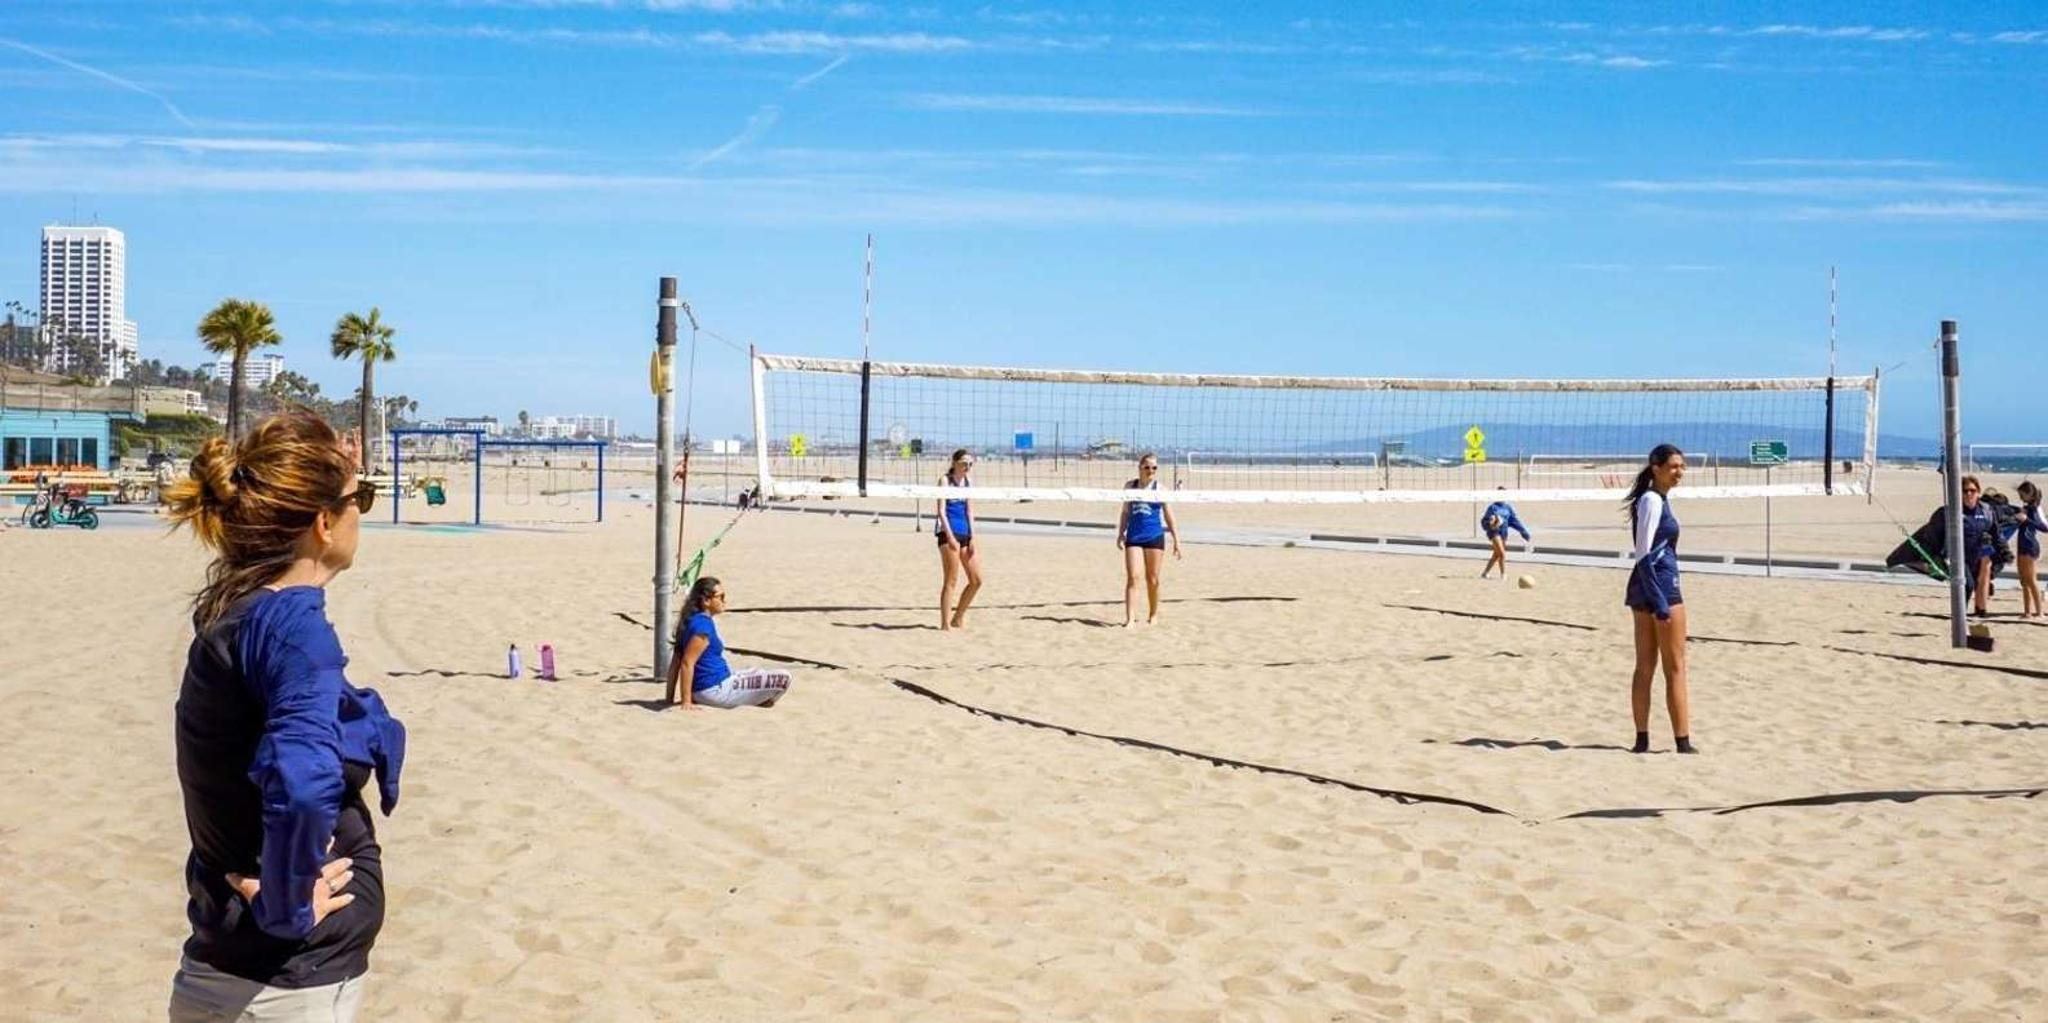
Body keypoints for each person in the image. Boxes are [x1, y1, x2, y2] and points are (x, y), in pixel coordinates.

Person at [163, 411, 406, 1023]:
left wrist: (369, 724)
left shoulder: (238, 611)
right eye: (362, 498)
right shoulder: (294, 628)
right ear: (324, 523)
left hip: (225, 965)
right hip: (285, 988)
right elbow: (300, 780)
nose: (362, 513)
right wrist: (289, 903)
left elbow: (240, 745)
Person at [1623, 444, 1694, 755]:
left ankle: (1642, 740)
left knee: (1646, 666)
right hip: (1660, 586)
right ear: (1656, 468)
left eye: (1682, 466)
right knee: (1673, 666)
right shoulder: (1652, 500)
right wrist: (1660, 600)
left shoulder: (1654, 499)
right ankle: (1682, 742)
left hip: (1644, 587)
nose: (1680, 472)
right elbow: (1643, 553)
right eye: (1674, 466)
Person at [667, 576, 792, 708]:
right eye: (720, 597)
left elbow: (676, 661)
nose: (724, 601)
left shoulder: (691, 620)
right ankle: (762, 702)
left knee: (755, 671)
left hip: (711, 686)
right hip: (715, 690)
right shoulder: (703, 627)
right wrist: (686, 701)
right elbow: (687, 663)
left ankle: (759, 701)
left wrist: (668, 699)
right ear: (706, 601)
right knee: (784, 677)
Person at [1116, 453, 1182, 626]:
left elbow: (1169, 515)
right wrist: (1120, 532)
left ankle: (1153, 614)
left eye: (1154, 467)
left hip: (1154, 537)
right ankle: (1130, 619)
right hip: (1134, 537)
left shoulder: (1160, 489)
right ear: (1140, 468)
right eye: (1147, 467)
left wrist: (1176, 540)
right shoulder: (1130, 486)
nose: (1151, 470)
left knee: (1152, 579)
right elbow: (1125, 512)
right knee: (1133, 577)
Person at [935, 448, 984, 631]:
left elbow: (970, 511)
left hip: (965, 534)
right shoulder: (945, 480)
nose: (967, 466)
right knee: (951, 580)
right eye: (964, 463)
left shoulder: (968, 482)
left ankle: (958, 617)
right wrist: (950, 536)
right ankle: (945, 624)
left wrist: (972, 538)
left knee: (976, 580)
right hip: (948, 534)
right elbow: (940, 511)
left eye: (970, 463)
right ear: (955, 462)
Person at [1959, 476, 1997, 616]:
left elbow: (1996, 532)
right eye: (1965, 491)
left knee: (1984, 581)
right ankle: (1960, 613)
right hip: (1961, 556)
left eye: (1972, 490)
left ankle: (1980, 610)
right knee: (1967, 585)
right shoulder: (1953, 511)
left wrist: (2003, 552)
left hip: (1982, 553)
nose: (1969, 493)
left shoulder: (1986, 511)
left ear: (1978, 492)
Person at [1478, 487, 1531, 580]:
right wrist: (1491, 523)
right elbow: (1484, 521)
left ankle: (1485, 573)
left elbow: (1514, 520)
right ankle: (1503, 574)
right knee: (1502, 553)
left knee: (1496, 554)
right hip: (1494, 532)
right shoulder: (1492, 507)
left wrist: (1523, 531)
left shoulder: (1508, 507)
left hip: (1504, 532)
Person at [2014, 481, 2046, 618]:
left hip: (2030, 545)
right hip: (2022, 545)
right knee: (2023, 580)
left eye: (2022, 495)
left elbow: (2044, 527)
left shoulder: (2034, 509)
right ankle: (2027, 610)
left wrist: (2026, 519)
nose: (2021, 498)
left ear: (2029, 494)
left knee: (2031, 579)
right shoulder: (2026, 508)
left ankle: (2039, 611)